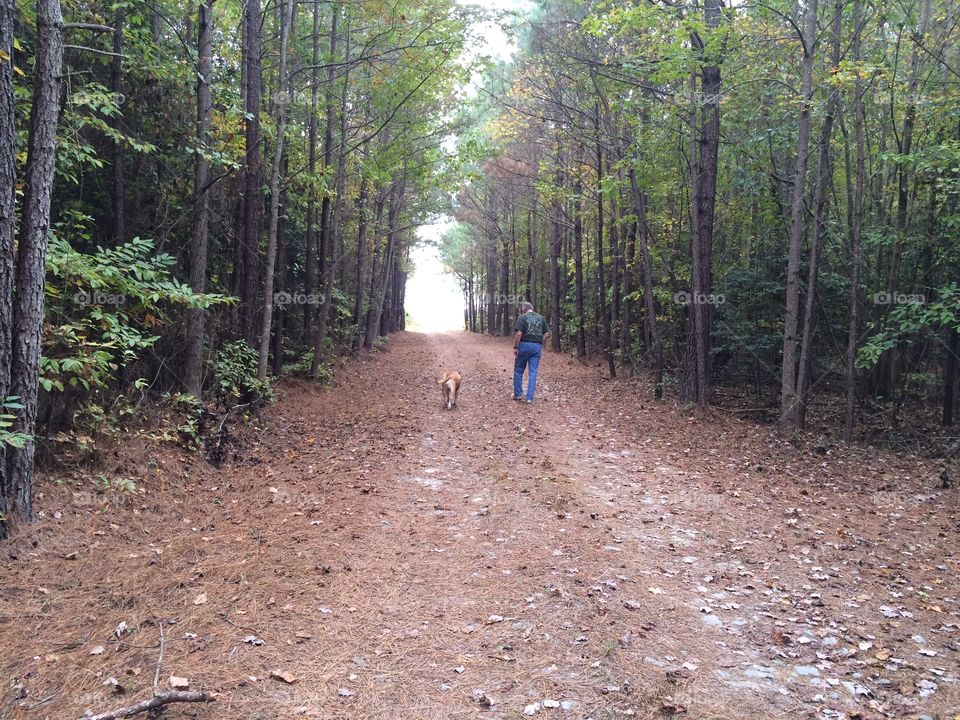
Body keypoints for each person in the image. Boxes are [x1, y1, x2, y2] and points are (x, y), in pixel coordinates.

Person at [512, 301, 550, 403]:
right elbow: (547, 334)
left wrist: (516, 347)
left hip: (524, 345)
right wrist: (540, 342)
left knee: (518, 370)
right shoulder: (541, 318)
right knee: (533, 372)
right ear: (532, 308)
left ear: (524, 309)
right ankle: (529, 398)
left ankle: (518, 394)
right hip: (536, 347)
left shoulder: (522, 318)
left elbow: (519, 333)